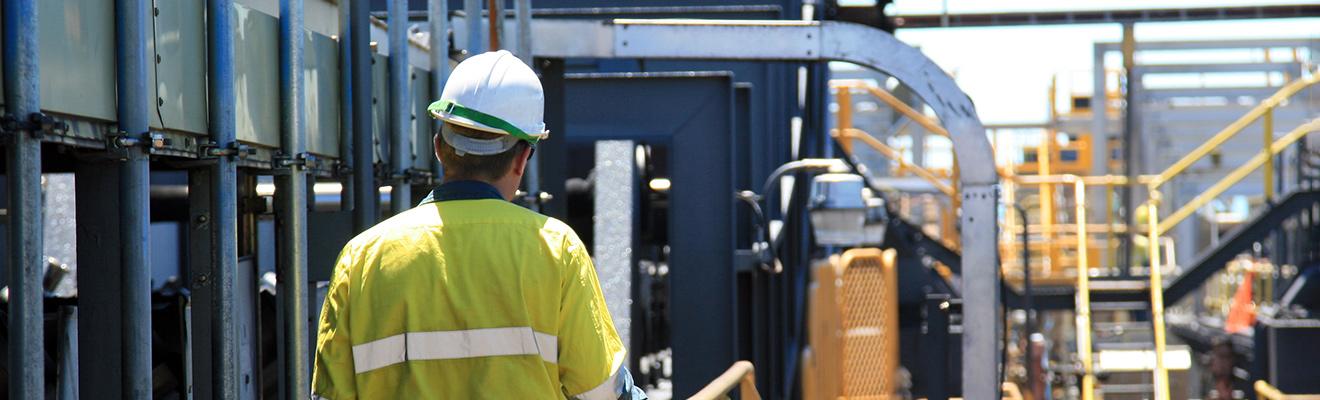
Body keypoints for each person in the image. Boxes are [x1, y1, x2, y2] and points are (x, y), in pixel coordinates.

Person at [312, 50, 645, 400]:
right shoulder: (556, 248)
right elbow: (600, 392)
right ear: (522, 158)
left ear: (439, 148)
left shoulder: (363, 257)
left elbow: (329, 394)